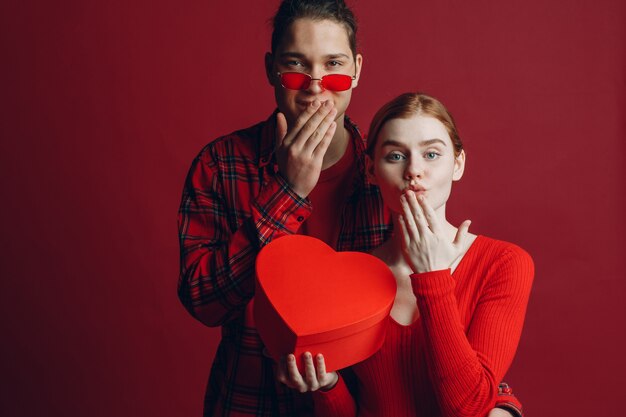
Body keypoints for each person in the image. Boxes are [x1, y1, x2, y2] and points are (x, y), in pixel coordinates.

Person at [178, 1, 524, 415]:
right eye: (296, 66)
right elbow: (203, 302)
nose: (315, 86)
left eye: (334, 67)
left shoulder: (387, 174)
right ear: (271, 68)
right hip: (251, 401)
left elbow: (424, 335)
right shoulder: (221, 165)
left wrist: (501, 401)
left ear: (357, 69)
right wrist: (287, 192)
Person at [275, 93, 534, 417]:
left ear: (458, 164)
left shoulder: (504, 263)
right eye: (396, 156)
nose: (414, 170)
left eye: (431, 154)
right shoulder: (351, 277)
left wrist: (432, 277)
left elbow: (469, 408)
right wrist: (329, 386)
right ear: (371, 170)